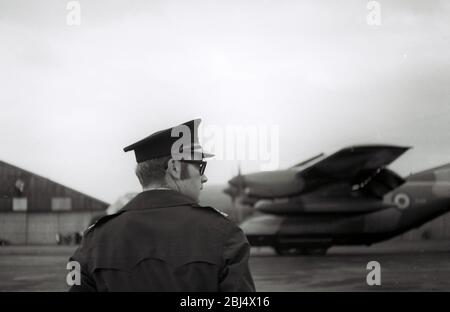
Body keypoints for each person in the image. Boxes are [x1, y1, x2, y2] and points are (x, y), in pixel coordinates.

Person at [68, 119, 255, 291]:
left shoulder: (94, 238)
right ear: (174, 168)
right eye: (200, 166)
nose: (204, 177)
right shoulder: (224, 232)